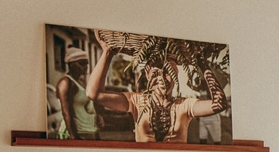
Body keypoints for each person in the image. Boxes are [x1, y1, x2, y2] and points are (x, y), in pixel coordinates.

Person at [84, 32, 225, 143]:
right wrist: (107, 53)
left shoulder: (184, 106)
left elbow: (219, 104)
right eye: (156, 73)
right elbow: (93, 93)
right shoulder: (137, 102)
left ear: (176, 74)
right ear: (147, 74)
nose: (162, 79)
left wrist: (201, 63)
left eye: (168, 72)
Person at [55, 46, 99, 140]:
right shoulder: (66, 82)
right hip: (79, 133)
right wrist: (72, 135)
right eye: (82, 63)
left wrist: (97, 117)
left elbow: (85, 107)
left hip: (90, 130)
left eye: (86, 63)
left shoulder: (81, 82)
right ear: (71, 65)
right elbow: (66, 111)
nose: (85, 67)